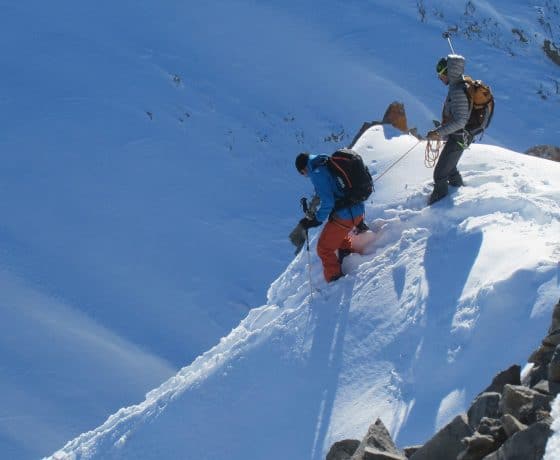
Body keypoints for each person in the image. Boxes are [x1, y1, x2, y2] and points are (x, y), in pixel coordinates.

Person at [295, 152, 366, 283]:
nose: (304, 176)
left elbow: (328, 202)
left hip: (347, 215)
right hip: (357, 210)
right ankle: (347, 254)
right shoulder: (323, 161)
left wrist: (317, 220)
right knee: (336, 231)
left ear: (303, 169)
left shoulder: (316, 173)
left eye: (302, 173)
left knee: (323, 248)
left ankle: (335, 281)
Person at [426, 54, 472, 205]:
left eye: (441, 75)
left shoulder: (457, 91)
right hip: (457, 137)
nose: (440, 79)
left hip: (458, 138)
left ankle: (439, 207)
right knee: (450, 168)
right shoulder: (456, 87)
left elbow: (460, 121)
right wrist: (440, 131)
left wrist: (439, 133)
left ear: (448, 73)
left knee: (440, 174)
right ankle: (460, 193)